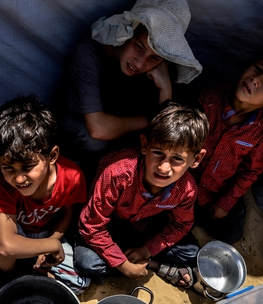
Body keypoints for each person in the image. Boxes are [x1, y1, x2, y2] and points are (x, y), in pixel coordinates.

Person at [75, 102, 207, 288]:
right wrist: (123, 264)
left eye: (177, 158)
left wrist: (147, 249)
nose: (163, 167)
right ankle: (152, 265)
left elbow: (181, 225)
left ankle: (140, 259)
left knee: (191, 251)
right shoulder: (118, 173)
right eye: (158, 153)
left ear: (196, 159)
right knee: (88, 262)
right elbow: (91, 225)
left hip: (141, 226)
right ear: (145, 145)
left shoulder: (186, 189)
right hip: (107, 223)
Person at [60, 0, 202, 174]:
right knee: (91, 138)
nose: (140, 62)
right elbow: (98, 129)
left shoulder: (157, 72)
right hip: (79, 128)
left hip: (120, 133)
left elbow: (163, 133)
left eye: (154, 58)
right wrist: (151, 119)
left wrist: (166, 89)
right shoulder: (88, 54)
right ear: (126, 34)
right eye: (138, 46)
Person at [0, 96, 90, 294]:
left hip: (44, 231)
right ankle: (19, 277)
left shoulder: (73, 177)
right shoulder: (2, 183)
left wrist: (51, 242)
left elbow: (67, 213)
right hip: (9, 229)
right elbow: (6, 244)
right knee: (1, 250)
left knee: (79, 284)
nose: (19, 178)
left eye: (28, 167)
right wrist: (49, 244)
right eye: (8, 168)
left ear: (52, 156)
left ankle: (31, 264)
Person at [191, 54, 263, 243]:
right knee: (183, 223)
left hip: (218, 191)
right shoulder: (206, 100)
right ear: (246, 66)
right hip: (187, 185)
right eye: (258, 69)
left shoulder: (261, 130)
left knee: (232, 233)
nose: (255, 80)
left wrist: (224, 203)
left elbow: (251, 171)